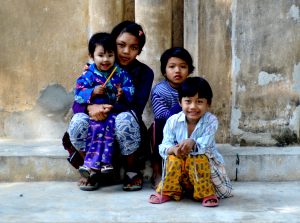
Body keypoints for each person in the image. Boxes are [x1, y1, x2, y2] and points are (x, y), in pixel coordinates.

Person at [65, 21, 154, 191]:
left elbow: (137, 107)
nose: (126, 51)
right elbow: (77, 101)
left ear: (139, 50)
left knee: (125, 120)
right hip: (95, 122)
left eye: (134, 47)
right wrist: (89, 109)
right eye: (121, 45)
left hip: (122, 124)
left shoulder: (144, 73)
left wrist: (106, 109)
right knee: (77, 121)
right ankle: (92, 169)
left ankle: (132, 170)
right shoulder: (95, 67)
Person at [148, 76, 232, 207]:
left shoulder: (211, 121)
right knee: (173, 158)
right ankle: (168, 191)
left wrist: (192, 142)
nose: (193, 107)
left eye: (199, 101)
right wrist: (173, 150)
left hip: (204, 173)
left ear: (208, 103)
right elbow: (164, 146)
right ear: (180, 102)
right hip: (180, 175)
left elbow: (204, 146)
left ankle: (206, 193)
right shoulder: (172, 121)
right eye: (188, 101)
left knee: (198, 158)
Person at [74, 32, 135, 179]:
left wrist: (122, 93)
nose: (106, 59)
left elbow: (130, 88)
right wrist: (92, 92)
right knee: (95, 132)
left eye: (110, 55)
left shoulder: (120, 73)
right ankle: (91, 165)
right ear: (92, 55)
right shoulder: (88, 74)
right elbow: (78, 93)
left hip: (112, 113)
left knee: (108, 133)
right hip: (95, 115)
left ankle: (104, 163)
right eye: (101, 55)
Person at [149, 47, 194, 189]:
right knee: (157, 125)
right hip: (166, 129)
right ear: (164, 71)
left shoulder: (194, 88)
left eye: (183, 67)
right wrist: (181, 105)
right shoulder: (160, 90)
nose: (177, 71)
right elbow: (161, 115)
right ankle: (157, 171)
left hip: (188, 128)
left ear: (189, 70)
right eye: (172, 66)